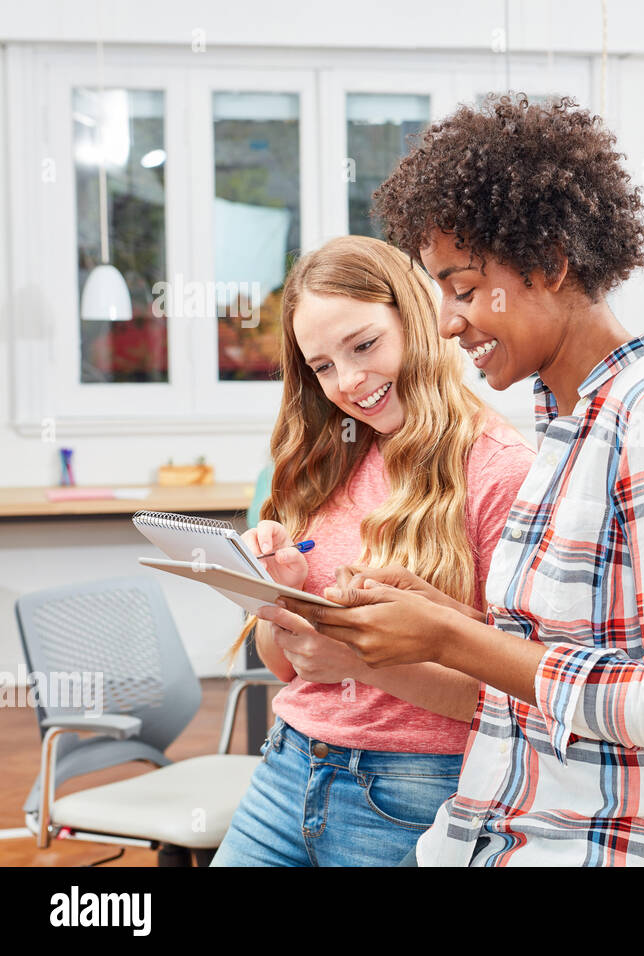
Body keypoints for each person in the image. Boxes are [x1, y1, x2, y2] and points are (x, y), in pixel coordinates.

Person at [261, 94, 644, 866]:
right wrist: (431, 614)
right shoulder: (567, 426)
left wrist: (451, 638)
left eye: (462, 289)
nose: (450, 321)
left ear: (549, 265)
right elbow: (549, 666)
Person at [211, 235, 535, 866]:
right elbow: (284, 664)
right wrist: (281, 591)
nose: (349, 382)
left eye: (364, 346)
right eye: (323, 366)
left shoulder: (501, 473)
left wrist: (362, 662)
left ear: (416, 317)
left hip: (412, 796)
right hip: (287, 769)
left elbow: (520, 697)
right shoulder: (322, 462)